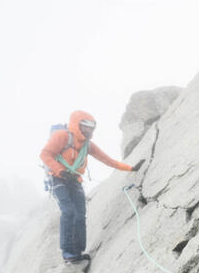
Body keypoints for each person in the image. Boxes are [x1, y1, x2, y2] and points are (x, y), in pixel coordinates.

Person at [40, 110, 138, 264]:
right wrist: (60, 171)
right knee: (68, 212)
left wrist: (131, 168)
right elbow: (45, 154)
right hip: (58, 179)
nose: (89, 131)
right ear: (76, 124)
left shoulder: (87, 145)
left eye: (91, 128)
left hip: (74, 180)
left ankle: (77, 252)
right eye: (85, 126)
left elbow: (108, 161)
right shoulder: (62, 136)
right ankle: (68, 254)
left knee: (80, 214)